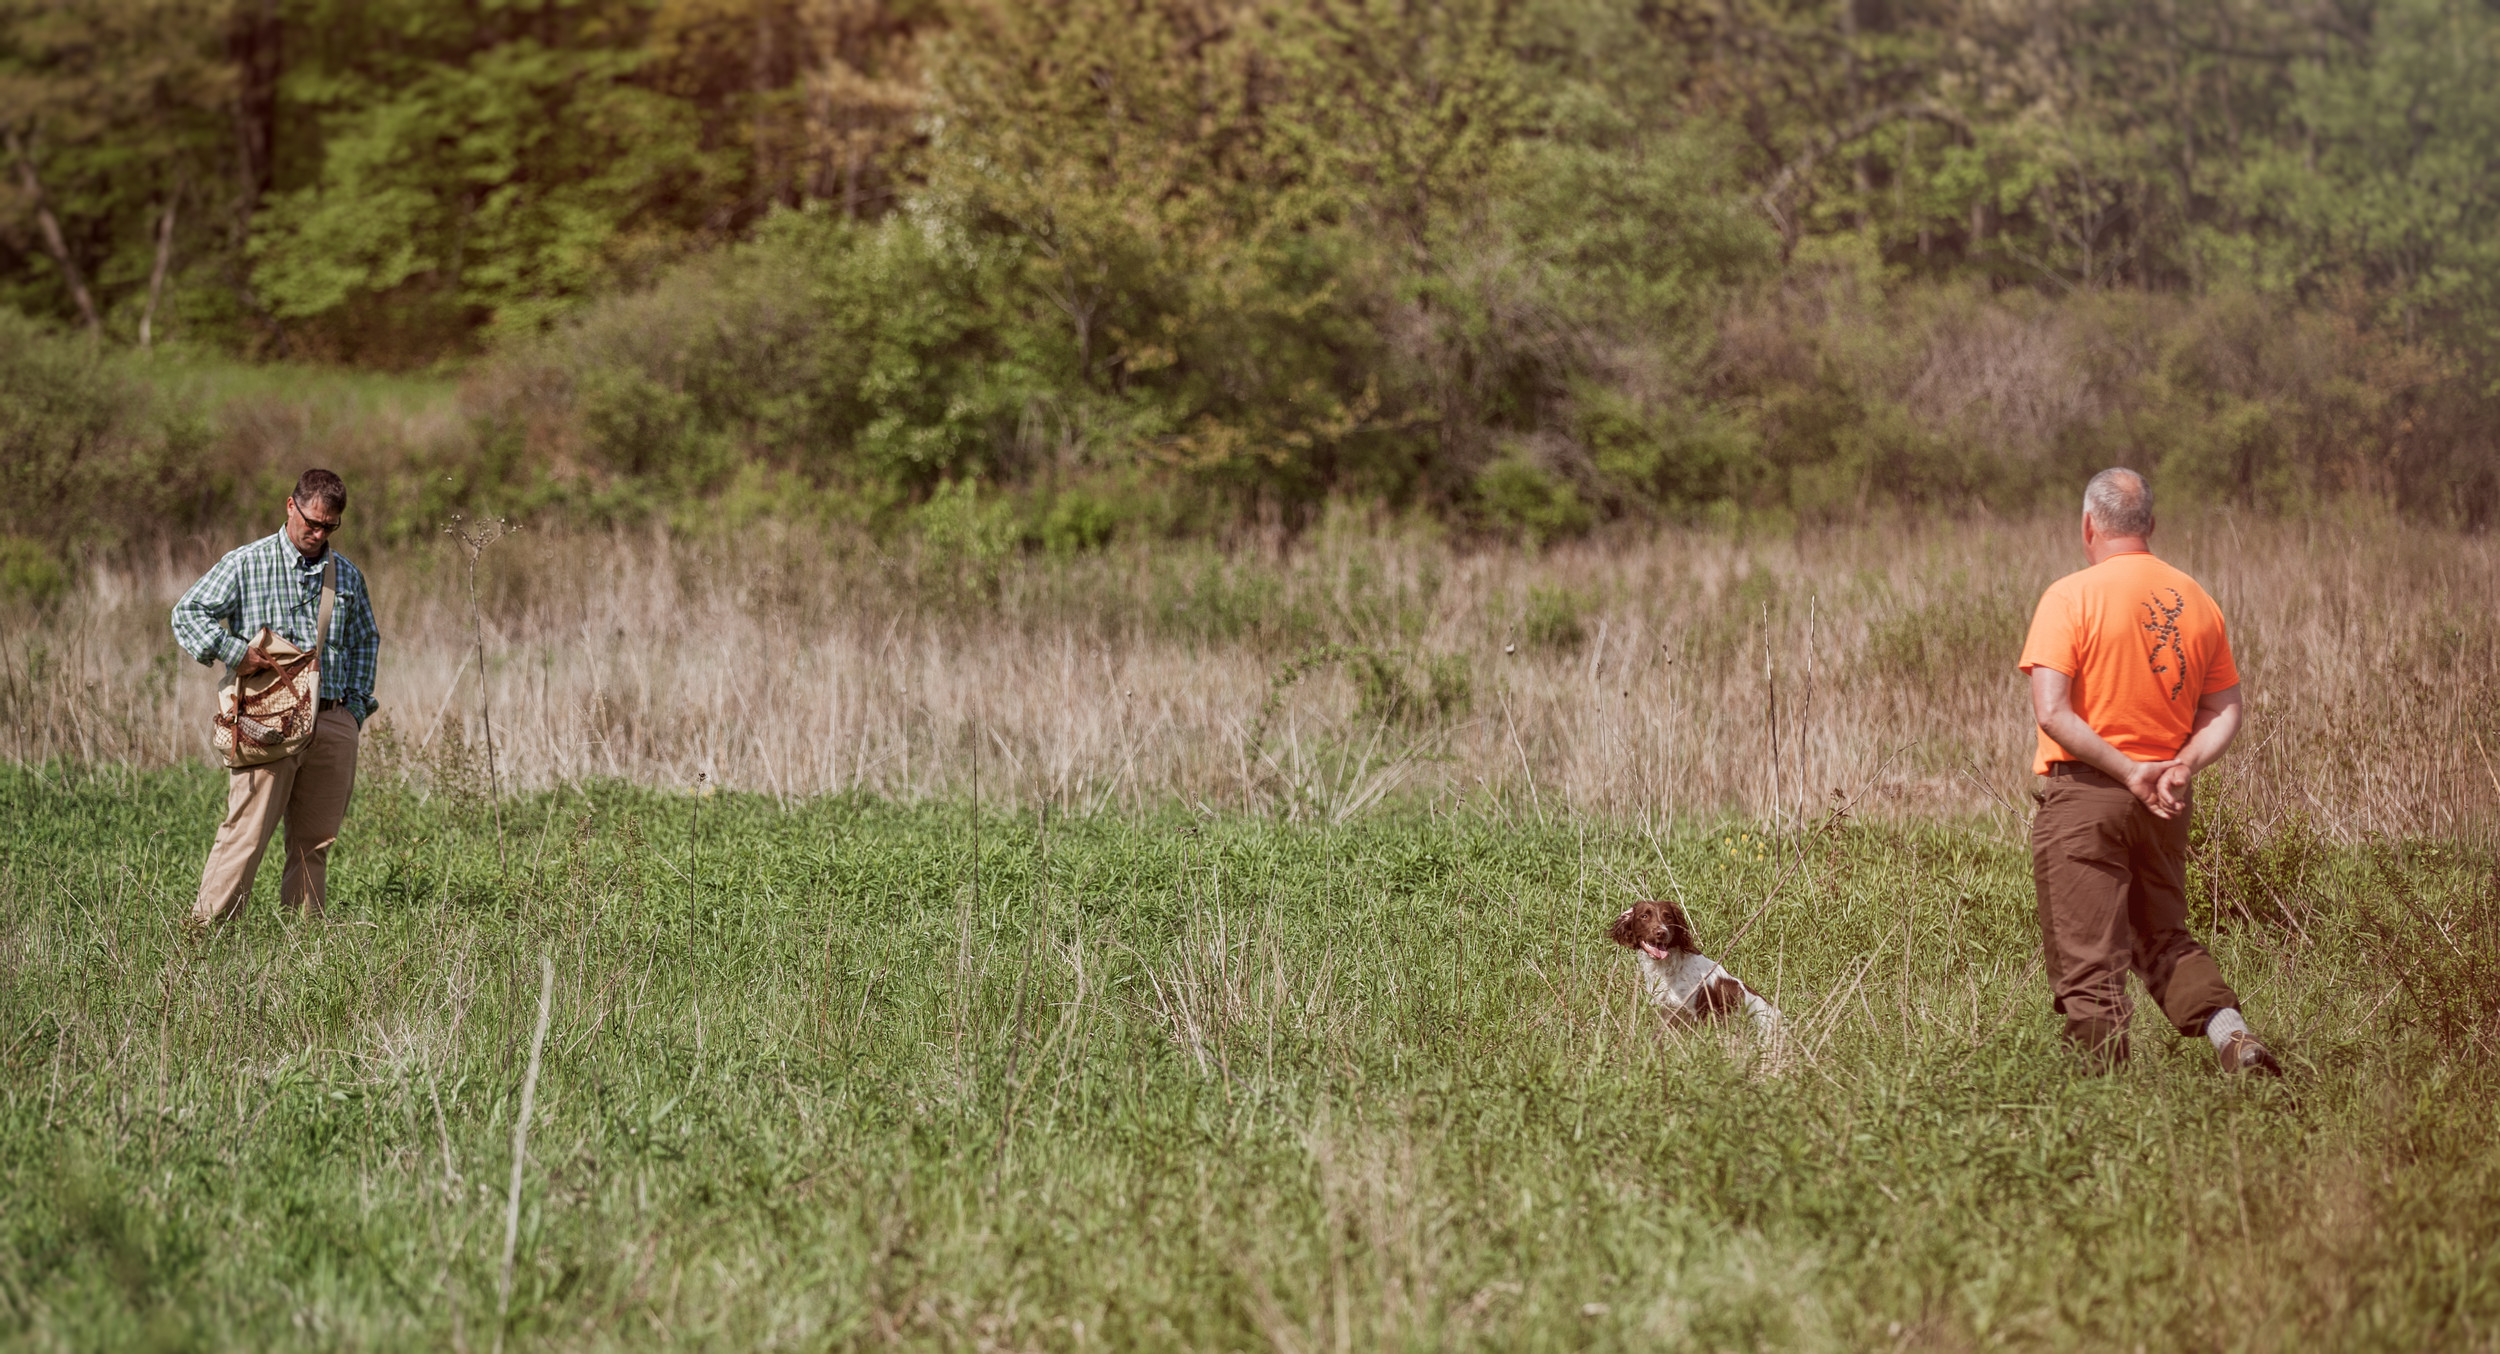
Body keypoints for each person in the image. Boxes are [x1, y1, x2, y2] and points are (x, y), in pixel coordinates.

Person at [2017, 468, 2281, 1074]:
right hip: (2165, 803)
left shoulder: (2069, 596)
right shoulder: (2197, 600)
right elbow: (2226, 708)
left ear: (2089, 525)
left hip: (2088, 796)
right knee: (2161, 936)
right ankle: (2234, 1039)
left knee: (2088, 963)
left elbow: (2053, 712)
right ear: (2149, 527)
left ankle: (2104, 1106)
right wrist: (2180, 764)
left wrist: (2127, 769)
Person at [172, 469, 381, 925]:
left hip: (331, 722)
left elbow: (367, 638)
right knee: (244, 835)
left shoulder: (346, 576)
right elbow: (186, 613)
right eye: (312, 522)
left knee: (316, 843)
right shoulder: (246, 563)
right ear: (291, 506)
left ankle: (299, 951)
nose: (319, 533)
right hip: (264, 721)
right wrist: (233, 652)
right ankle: (200, 941)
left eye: (330, 526)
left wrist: (355, 710)